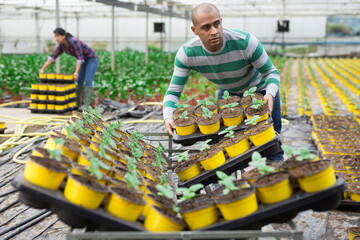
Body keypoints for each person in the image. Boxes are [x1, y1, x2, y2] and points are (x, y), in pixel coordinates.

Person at [163, 3, 283, 161]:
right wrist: (168, 116)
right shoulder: (187, 54)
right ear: (195, 30)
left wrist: (270, 93)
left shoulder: (245, 42)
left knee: (271, 145)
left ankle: (273, 171)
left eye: (216, 24)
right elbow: (173, 93)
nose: (214, 32)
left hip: (261, 93)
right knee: (230, 146)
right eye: (206, 27)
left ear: (221, 21)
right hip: (228, 96)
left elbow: (271, 72)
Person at [40, 27, 98, 111]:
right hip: (83, 60)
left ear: (63, 36)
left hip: (91, 59)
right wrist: (43, 68)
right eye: (55, 36)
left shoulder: (74, 42)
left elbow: (80, 58)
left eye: (57, 36)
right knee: (79, 81)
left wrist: (76, 72)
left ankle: (86, 105)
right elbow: (53, 57)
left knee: (88, 80)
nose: (56, 38)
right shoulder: (62, 46)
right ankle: (79, 103)